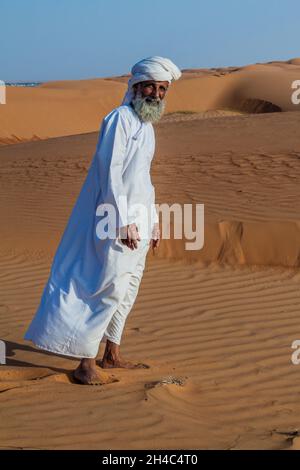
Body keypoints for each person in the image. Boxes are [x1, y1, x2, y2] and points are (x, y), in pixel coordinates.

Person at [23, 56, 182, 385]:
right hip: (114, 218)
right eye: (150, 86)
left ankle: (112, 353)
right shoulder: (119, 119)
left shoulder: (147, 126)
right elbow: (110, 172)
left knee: (128, 288)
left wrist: (152, 222)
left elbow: (143, 180)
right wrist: (122, 220)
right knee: (107, 286)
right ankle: (85, 363)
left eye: (162, 88)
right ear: (135, 86)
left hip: (136, 220)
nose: (156, 93)